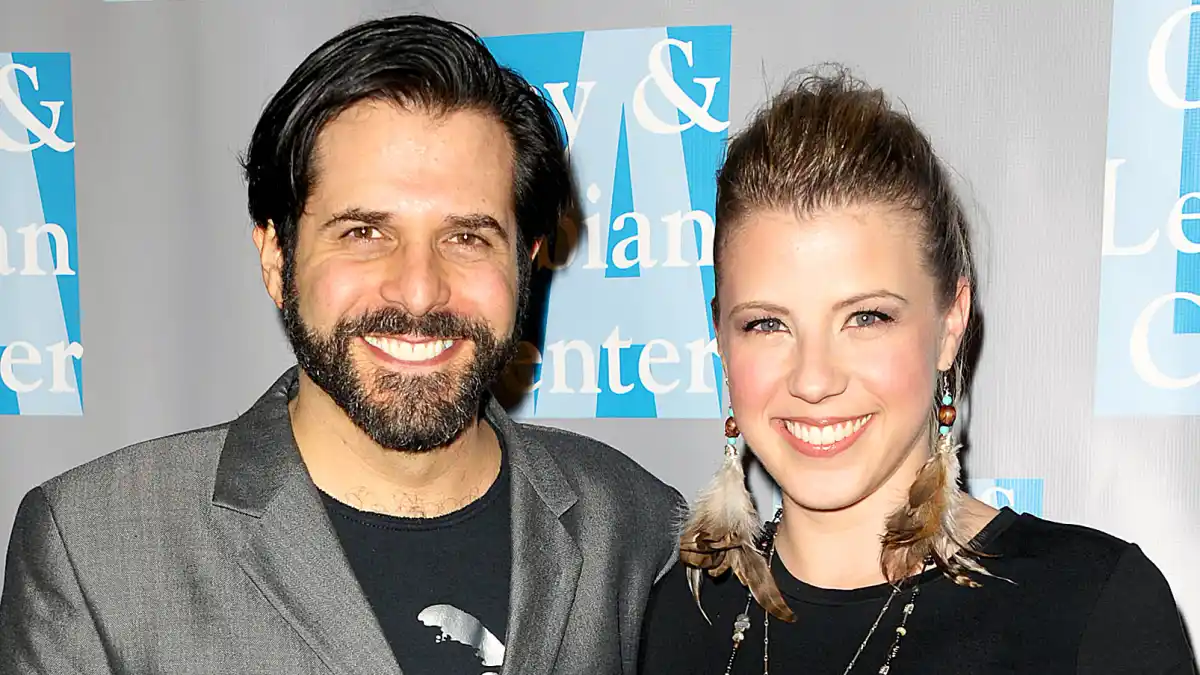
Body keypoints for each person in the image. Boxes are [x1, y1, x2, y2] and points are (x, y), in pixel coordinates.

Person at [0, 14, 684, 675]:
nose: (418, 293)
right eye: (363, 233)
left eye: (467, 237)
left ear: (526, 261)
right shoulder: (96, 545)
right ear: (276, 259)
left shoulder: (635, 525)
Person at [638, 67, 1197, 674]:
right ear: (720, 337)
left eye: (866, 317)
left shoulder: (1094, 610)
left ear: (950, 325)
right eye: (767, 324)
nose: (814, 380)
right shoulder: (677, 616)